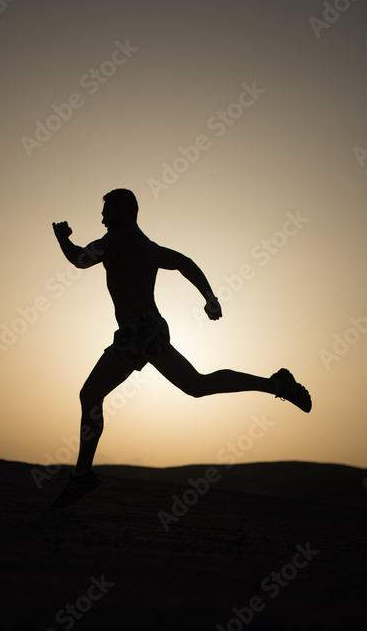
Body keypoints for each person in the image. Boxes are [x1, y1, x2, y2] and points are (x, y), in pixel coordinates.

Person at [50, 189, 310, 508]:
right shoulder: (146, 246)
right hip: (149, 327)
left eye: (106, 210)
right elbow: (184, 262)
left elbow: (80, 259)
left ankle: (82, 475)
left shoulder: (119, 239)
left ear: (122, 209)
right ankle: (276, 384)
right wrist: (209, 297)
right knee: (196, 385)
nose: (102, 217)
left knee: (91, 394)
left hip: (138, 331)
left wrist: (62, 237)